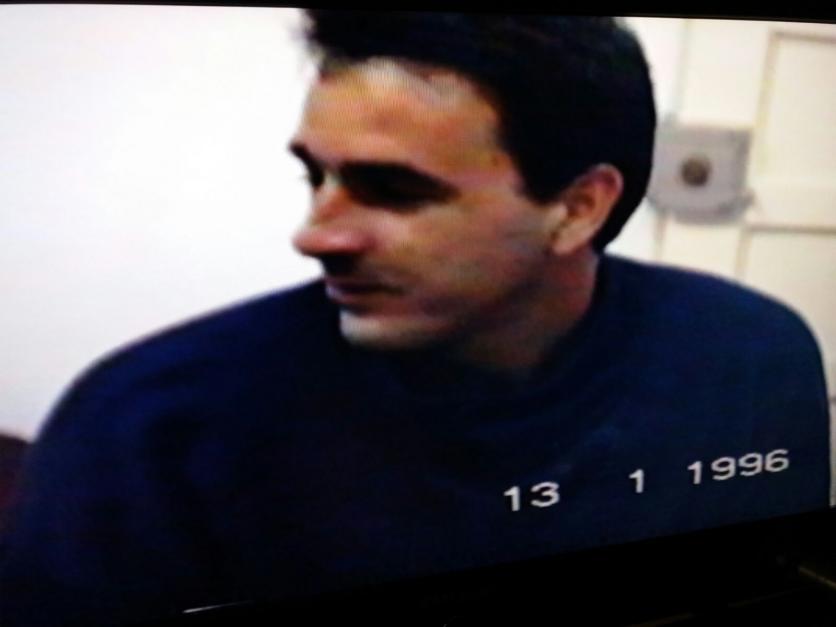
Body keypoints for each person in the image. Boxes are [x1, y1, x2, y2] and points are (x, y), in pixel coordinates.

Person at [0, 11, 830, 626]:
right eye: (316, 177)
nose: (316, 234)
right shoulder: (149, 428)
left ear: (578, 207)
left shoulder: (749, 355)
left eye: (395, 190)